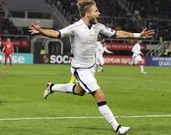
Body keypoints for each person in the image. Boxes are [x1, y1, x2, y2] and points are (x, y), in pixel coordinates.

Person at [29, 0, 154, 134]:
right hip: (80, 69)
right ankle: (117, 127)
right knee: (99, 95)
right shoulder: (75, 27)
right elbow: (56, 34)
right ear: (87, 14)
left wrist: (137, 35)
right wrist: (40, 30)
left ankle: (52, 87)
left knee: (79, 91)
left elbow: (117, 34)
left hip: (91, 67)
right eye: (96, 11)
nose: (99, 13)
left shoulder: (98, 26)